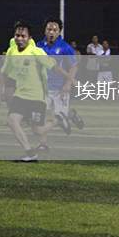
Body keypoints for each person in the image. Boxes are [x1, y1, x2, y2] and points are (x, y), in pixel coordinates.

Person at [1, 21, 71, 162]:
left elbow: (54, 67)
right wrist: (1, 91)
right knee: (12, 121)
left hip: (36, 97)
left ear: (29, 38)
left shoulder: (36, 52)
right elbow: (6, 73)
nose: (20, 38)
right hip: (20, 95)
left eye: (23, 36)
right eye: (17, 35)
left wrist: (70, 79)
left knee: (37, 131)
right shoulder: (11, 51)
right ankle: (30, 153)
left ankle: (58, 120)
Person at [35, 18, 83, 151]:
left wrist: (67, 84)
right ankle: (43, 144)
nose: (51, 32)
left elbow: (74, 67)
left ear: (59, 32)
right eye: (49, 29)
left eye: (55, 30)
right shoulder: (38, 46)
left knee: (59, 116)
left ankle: (69, 115)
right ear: (45, 30)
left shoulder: (65, 47)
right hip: (43, 88)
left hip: (60, 89)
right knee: (42, 117)